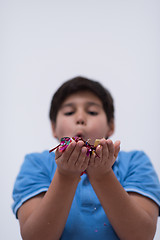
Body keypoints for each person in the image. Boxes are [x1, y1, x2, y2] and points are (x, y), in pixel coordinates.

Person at [12, 76, 160, 240]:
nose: (80, 118)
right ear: (54, 127)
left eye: (92, 112)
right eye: (69, 112)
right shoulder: (36, 164)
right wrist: (66, 175)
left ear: (111, 126)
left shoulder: (135, 162)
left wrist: (102, 175)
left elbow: (142, 235)